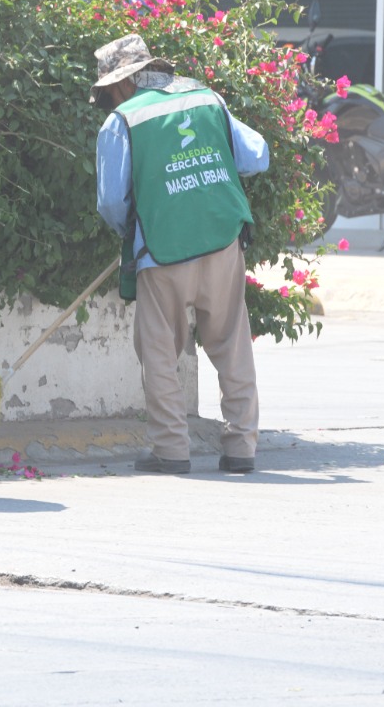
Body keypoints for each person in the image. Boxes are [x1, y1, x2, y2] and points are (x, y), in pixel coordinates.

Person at [90, 34, 270, 474]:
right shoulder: (208, 99)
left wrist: (131, 233)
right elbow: (257, 156)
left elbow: (111, 202)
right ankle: (241, 448)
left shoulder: (122, 120)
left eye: (109, 91)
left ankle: (171, 451)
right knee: (231, 344)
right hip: (223, 240)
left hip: (162, 251)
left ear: (124, 81)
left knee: (158, 349)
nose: (111, 99)